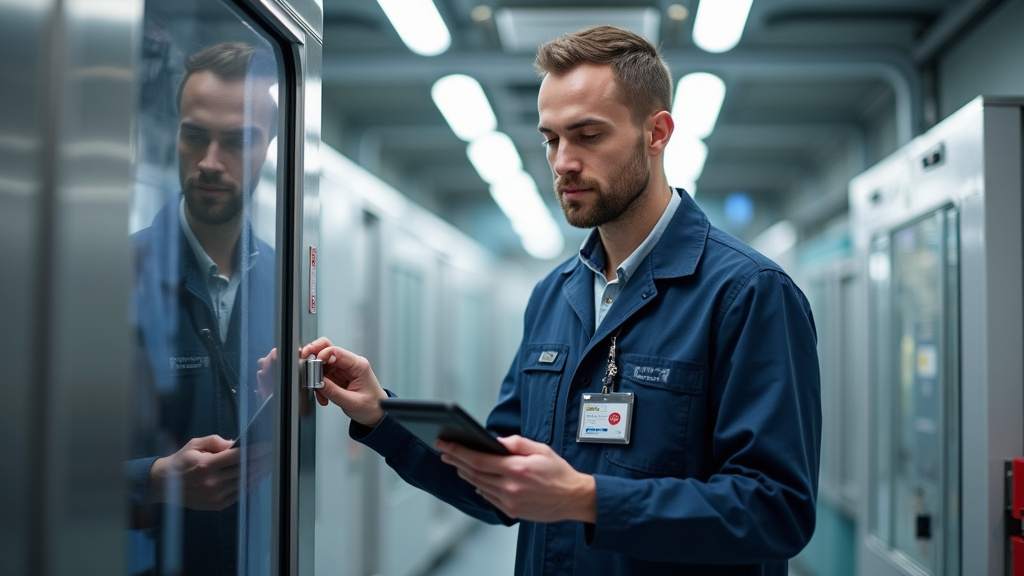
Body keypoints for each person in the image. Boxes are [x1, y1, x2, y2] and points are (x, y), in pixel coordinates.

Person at [303, 25, 821, 575]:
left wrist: (586, 499)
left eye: (588, 135)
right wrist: (384, 413)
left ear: (657, 132)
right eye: (551, 139)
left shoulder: (748, 293)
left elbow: (777, 510)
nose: (561, 162)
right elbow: (499, 475)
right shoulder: (555, 295)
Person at [127, 41, 278, 576]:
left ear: (267, 148)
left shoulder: (283, 283)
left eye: (236, 141)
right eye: (195, 136)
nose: (210, 162)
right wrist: (150, 478)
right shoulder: (116, 275)